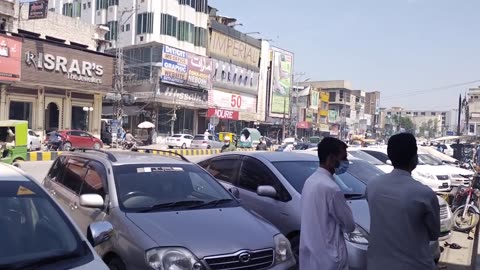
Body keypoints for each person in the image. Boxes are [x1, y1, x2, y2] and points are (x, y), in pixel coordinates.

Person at [366, 133, 440, 270]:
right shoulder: (424, 194)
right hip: (415, 265)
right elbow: (434, 233)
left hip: (377, 264)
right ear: (414, 157)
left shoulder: (372, 185)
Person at [299, 137, 355, 270]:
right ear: (331, 158)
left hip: (310, 257)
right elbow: (349, 225)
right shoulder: (331, 188)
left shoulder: (310, 181)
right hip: (330, 260)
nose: (345, 162)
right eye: (343, 158)